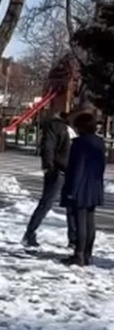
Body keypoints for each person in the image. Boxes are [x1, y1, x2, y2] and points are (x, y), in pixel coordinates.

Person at [59, 112, 106, 266]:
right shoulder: (100, 142)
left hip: (81, 187)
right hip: (94, 185)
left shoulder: (79, 144)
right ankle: (87, 253)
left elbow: (77, 168)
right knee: (90, 220)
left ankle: (78, 254)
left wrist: (72, 189)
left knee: (80, 222)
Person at [22, 111, 74, 248]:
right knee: (47, 203)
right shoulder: (56, 126)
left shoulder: (75, 129)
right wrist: (49, 167)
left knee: (72, 205)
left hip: (71, 171)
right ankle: (30, 233)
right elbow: (48, 147)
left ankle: (73, 239)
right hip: (58, 170)